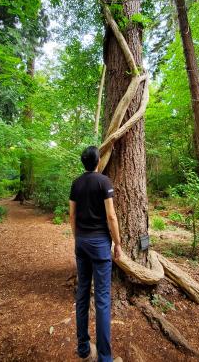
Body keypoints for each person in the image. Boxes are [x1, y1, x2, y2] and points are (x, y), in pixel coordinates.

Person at [69, 146, 122, 362]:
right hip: (100, 245)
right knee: (101, 299)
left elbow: (71, 215)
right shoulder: (104, 182)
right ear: (98, 161)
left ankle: (83, 348)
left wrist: (77, 237)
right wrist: (117, 243)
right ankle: (105, 358)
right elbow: (111, 216)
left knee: (82, 294)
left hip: (81, 242)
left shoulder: (76, 183)